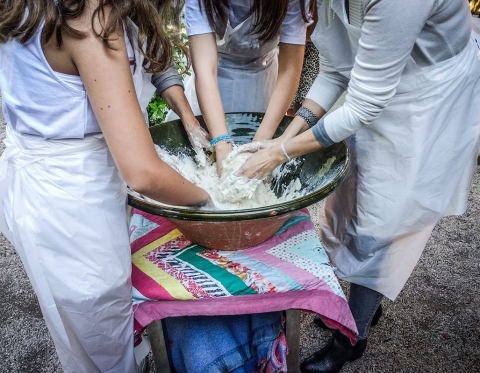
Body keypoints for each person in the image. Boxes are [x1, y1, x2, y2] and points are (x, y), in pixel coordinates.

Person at [235, 1, 480, 372]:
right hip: (377, 91)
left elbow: (364, 103)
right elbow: (334, 71)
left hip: (428, 99)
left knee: (385, 218)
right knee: (349, 197)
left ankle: (353, 336)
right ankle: (362, 299)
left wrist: (280, 153)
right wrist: (285, 137)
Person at [0, 0, 211, 372]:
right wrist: (210, 202)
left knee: (79, 331)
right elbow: (143, 173)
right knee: (102, 333)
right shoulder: (88, 15)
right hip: (74, 206)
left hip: (42, 191)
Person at [185, 0, 310, 174]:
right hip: (212, 81)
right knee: (203, 162)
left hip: (263, 78)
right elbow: (205, 71)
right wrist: (221, 142)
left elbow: (289, 70)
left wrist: (259, 144)